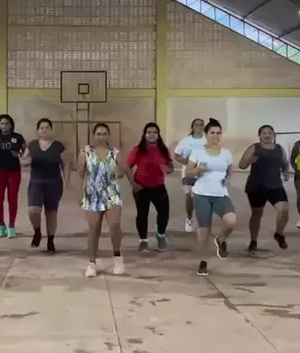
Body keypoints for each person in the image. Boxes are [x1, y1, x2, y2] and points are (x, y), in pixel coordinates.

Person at [186, 118, 237, 276]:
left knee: (231, 220)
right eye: (212, 133)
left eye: (218, 133)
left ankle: (220, 240)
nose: (215, 135)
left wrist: (228, 179)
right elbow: (188, 172)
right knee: (204, 230)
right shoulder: (197, 152)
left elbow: (229, 170)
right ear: (206, 134)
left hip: (220, 193)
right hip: (202, 194)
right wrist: (197, 170)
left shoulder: (226, 153)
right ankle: (203, 262)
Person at [77, 123, 126, 277]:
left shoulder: (115, 153)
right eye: (98, 134)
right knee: (94, 228)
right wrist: (80, 193)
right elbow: (80, 174)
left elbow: (121, 173)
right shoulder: (85, 152)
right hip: (92, 194)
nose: (101, 136)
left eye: (104, 133)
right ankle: (92, 263)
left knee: (114, 225)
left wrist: (119, 170)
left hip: (112, 193)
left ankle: (118, 257)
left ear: (108, 136)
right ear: (93, 136)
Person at [20, 118, 69, 254]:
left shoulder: (58, 146)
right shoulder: (33, 145)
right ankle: (37, 231)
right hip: (36, 183)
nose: (44, 130)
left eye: (47, 127)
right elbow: (23, 161)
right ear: (38, 130)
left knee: (51, 213)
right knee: (33, 211)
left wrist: (67, 181)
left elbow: (65, 164)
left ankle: (50, 240)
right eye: (42, 128)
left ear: (51, 129)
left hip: (54, 183)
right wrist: (23, 160)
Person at [239, 125, 290, 254]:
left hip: (275, 186)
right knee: (257, 214)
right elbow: (242, 165)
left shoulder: (279, 149)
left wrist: (286, 172)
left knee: (284, 209)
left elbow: (285, 163)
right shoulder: (254, 148)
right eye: (264, 133)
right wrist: (250, 160)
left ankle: (279, 233)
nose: (267, 135)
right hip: (257, 186)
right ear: (260, 136)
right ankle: (253, 241)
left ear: (273, 135)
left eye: (269, 133)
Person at [126, 122, 173, 252]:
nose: (152, 135)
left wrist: (168, 169)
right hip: (141, 187)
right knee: (142, 214)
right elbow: (127, 167)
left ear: (158, 135)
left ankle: (161, 235)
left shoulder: (163, 149)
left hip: (158, 186)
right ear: (144, 135)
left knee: (164, 213)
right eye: (149, 132)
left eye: (154, 132)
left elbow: (171, 166)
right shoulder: (138, 149)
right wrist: (133, 184)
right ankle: (143, 240)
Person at [0, 114, 26, 239]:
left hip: (13, 172)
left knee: (13, 199)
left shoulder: (18, 137)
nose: (4, 126)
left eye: (6, 123)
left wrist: (20, 155)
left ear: (11, 125)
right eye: (2, 123)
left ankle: (11, 226)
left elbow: (25, 153)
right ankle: (1, 225)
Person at [173, 118, 206, 233]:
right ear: (192, 127)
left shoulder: (207, 140)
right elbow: (176, 156)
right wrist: (187, 162)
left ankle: (203, 221)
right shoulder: (185, 141)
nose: (199, 126)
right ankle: (189, 219)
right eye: (196, 124)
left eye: (201, 124)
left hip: (203, 173)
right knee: (189, 197)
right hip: (188, 172)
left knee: (201, 198)